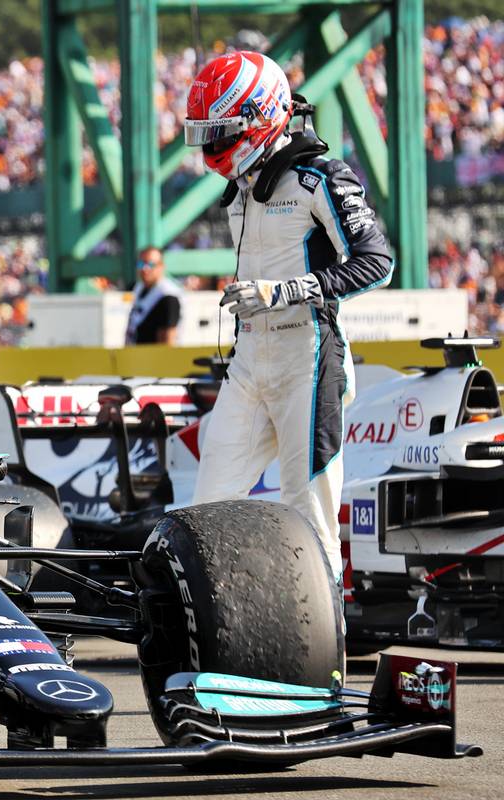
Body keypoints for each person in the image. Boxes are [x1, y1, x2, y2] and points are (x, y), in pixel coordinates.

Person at [182, 51, 393, 581]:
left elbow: (378, 263)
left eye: (221, 132)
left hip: (309, 355)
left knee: (310, 515)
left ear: (260, 115)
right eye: (205, 133)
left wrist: (286, 292)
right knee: (207, 510)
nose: (212, 146)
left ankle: (328, 633)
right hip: (250, 359)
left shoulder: (320, 176)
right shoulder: (242, 186)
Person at [125, 247, 182, 344]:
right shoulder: (139, 288)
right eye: (141, 264)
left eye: (150, 264)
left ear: (161, 266)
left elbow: (168, 340)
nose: (145, 269)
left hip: (155, 352)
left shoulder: (168, 296)